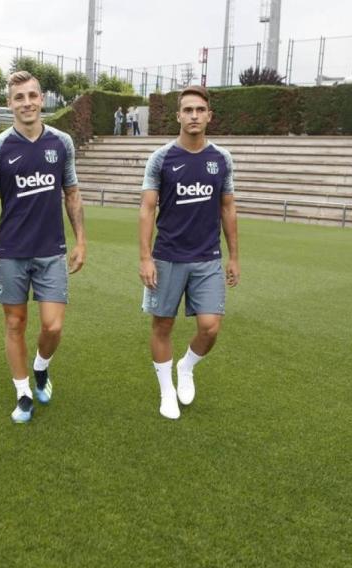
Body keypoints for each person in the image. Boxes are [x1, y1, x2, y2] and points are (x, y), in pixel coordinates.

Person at [0, 70, 87, 424]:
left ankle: (41, 367)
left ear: (42, 99)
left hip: (51, 251)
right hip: (11, 252)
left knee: (52, 327)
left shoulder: (61, 143)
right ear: (10, 103)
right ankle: (23, 392)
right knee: (15, 324)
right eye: (19, 97)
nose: (27, 103)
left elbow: (71, 193)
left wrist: (81, 240)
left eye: (32, 96)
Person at [138, 84, 239, 420]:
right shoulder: (162, 158)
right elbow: (147, 208)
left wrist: (234, 256)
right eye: (188, 110)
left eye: (200, 110)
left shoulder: (221, 159)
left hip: (208, 258)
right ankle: (167, 391)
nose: (194, 116)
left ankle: (187, 365)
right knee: (162, 325)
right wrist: (145, 257)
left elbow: (228, 209)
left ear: (209, 116)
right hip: (167, 256)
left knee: (210, 326)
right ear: (178, 115)